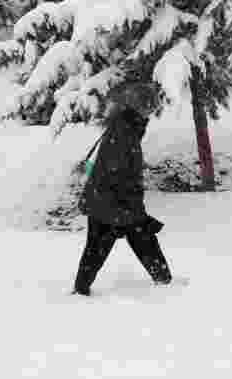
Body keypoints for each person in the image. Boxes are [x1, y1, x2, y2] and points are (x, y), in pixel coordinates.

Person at [73, 82, 172, 296]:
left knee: (134, 239)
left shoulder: (127, 126)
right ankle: (80, 291)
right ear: (139, 107)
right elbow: (119, 173)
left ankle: (164, 280)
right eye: (149, 108)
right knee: (101, 247)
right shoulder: (124, 131)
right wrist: (135, 206)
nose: (151, 113)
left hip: (112, 202)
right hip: (110, 203)